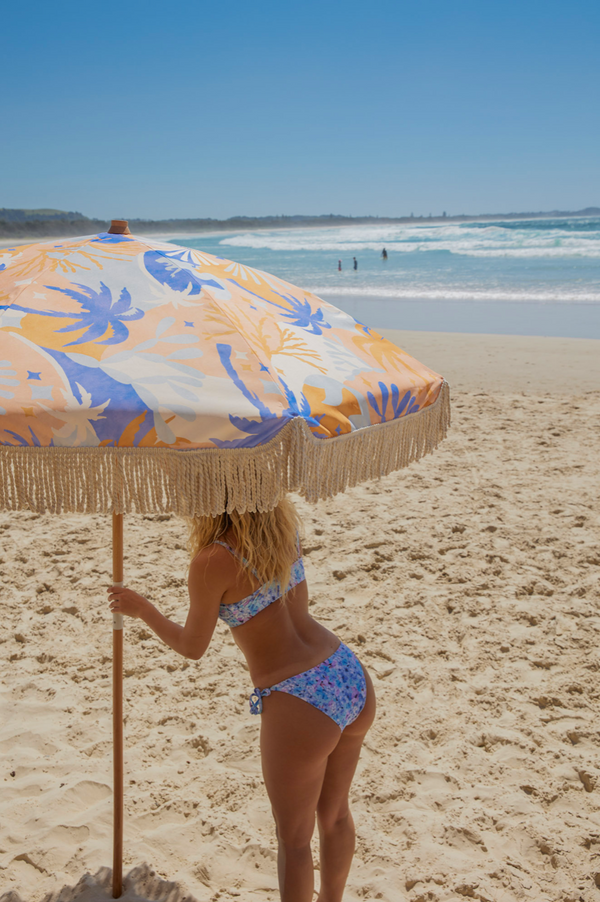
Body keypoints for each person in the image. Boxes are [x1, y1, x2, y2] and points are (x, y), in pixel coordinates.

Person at [107, 498, 376, 902]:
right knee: (335, 815)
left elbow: (192, 646)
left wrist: (143, 609)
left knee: (295, 842)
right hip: (345, 672)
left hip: (298, 696)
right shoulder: (284, 530)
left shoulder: (212, 560)